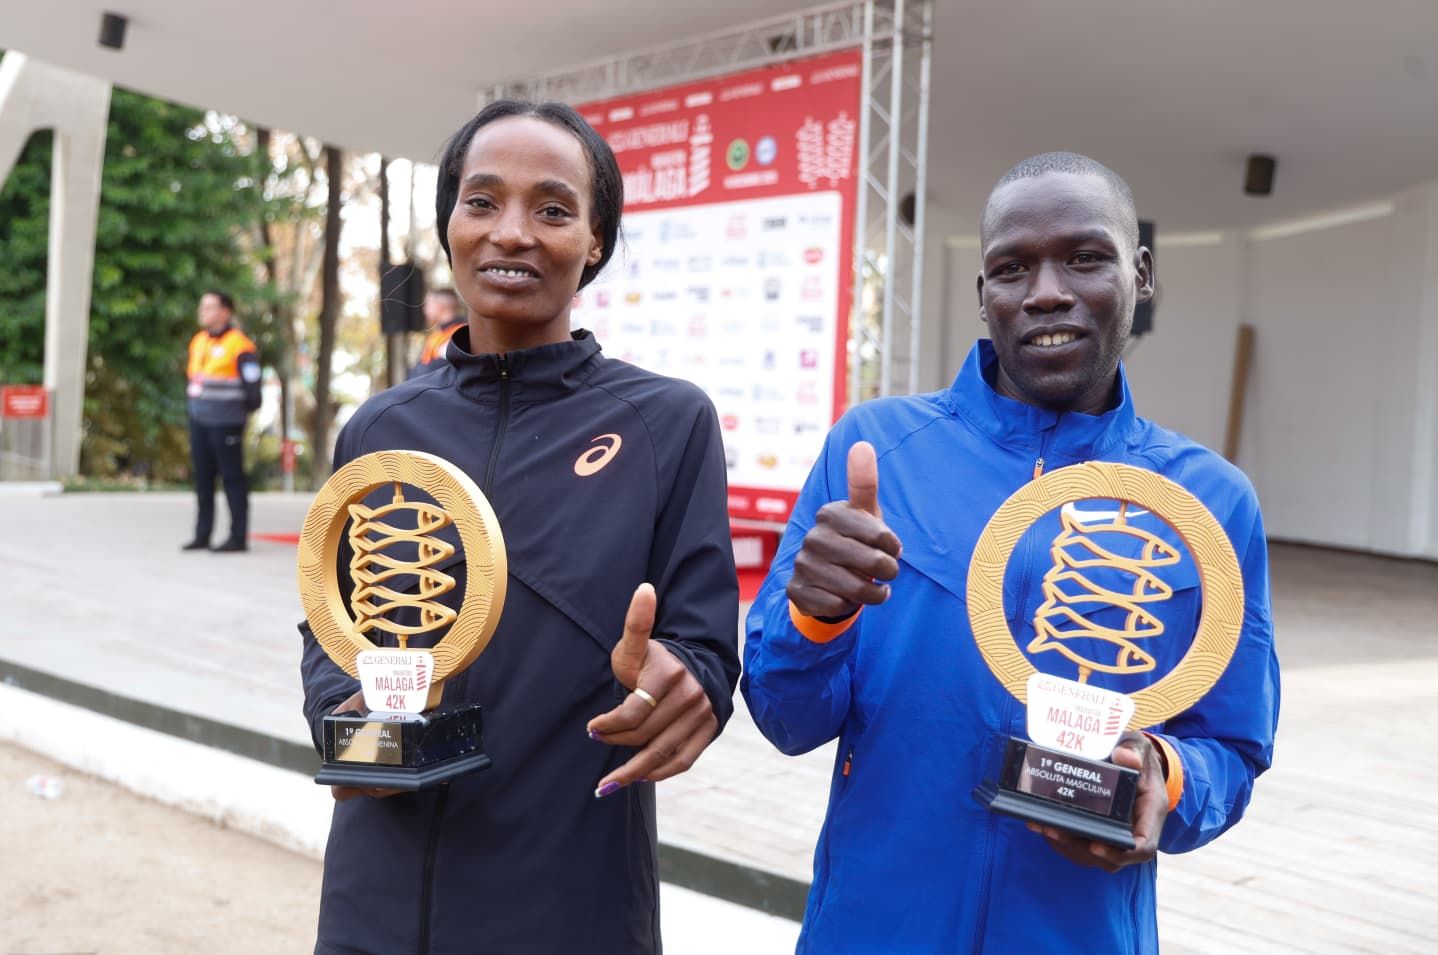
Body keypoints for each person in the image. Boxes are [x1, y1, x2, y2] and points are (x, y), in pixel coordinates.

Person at [742, 153, 1280, 953]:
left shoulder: (1210, 502)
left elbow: (1232, 746)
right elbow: (786, 718)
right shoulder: (875, 452)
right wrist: (813, 620)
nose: (1048, 290)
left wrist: (1165, 780)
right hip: (872, 926)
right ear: (986, 296)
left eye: (1085, 257)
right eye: (1012, 267)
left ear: (1141, 275)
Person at [299, 100, 740, 954]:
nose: (512, 233)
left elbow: (705, 646)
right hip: (375, 897)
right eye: (482, 201)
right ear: (450, 226)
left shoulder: (668, 424)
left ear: (596, 240)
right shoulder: (379, 431)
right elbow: (331, 620)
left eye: (552, 208)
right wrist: (342, 716)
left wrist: (681, 680)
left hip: (569, 897)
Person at [181, 289, 260, 553]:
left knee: (232, 479)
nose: (203, 312)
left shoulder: (240, 345)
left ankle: (238, 537)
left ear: (225, 311)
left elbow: (253, 389)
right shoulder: (198, 341)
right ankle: (202, 534)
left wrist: (239, 415)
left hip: (226, 423)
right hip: (200, 421)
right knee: (202, 479)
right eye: (202, 307)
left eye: (210, 307)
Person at [409, 287, 467, 377]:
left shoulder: (461, 334)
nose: (425, 310)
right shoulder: (436, 336)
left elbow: (438, 370)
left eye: (428, 305)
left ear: (439, 306)